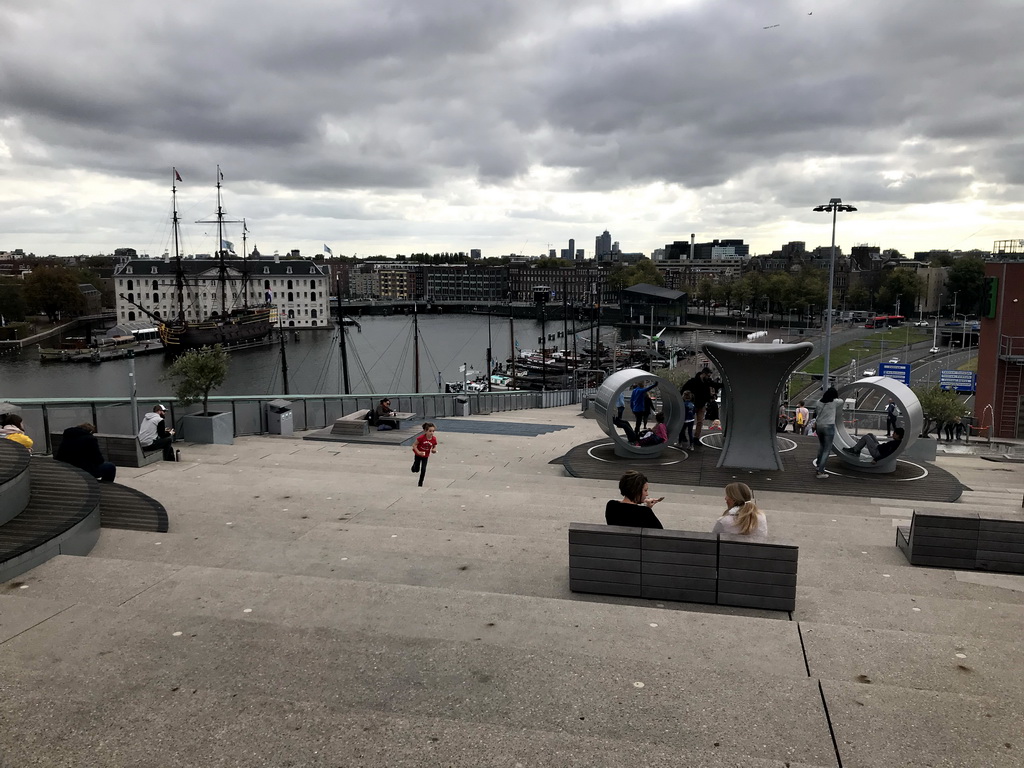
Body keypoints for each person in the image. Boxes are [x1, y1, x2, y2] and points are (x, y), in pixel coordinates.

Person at [813, 387, 843, 479]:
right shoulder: (835, 403)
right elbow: (841, 400)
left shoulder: (818, 402)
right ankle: (820, 471)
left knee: (822, 446)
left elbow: (816, 412)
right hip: (828, 426)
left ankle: (818, 464)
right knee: (827, 449)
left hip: (819, 426)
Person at [679, 367, 714, 446]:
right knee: (689, 420)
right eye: (708, 375)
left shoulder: (705, 382)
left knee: (699, 422)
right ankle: (685, 435)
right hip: (693, 404)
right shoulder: (693, 381)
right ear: (704, 374)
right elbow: (683, 389)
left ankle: (696, 437)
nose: (708, 377)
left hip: (700, 404)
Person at [411, 422, 438, 487]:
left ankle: (420, 483)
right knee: (416, 469)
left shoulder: (434, 439)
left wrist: (434, 449)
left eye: (433, 431)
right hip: (418, 455)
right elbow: (414, 445)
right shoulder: (421, 438)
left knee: (423, 469)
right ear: (425, 431)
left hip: (425, 456)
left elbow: (434, 445)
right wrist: (418, 452)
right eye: (430, 431)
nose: (432, 433)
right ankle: (414, 467)